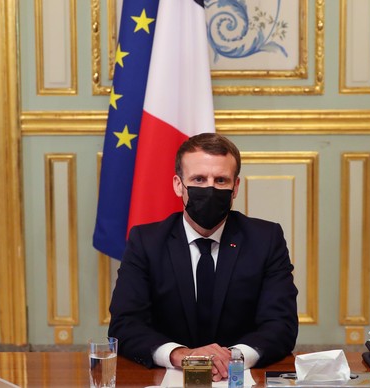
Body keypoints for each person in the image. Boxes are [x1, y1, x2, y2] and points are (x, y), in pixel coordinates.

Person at [108, 133, 298, 381]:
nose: (210, 188)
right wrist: (182, 355)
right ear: (179, 185)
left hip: (238, 378)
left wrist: (231, 357)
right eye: (198, 179)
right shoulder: (146, 242)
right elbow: (125, 325)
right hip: (168, 377)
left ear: (235, 187)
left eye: (220, 180)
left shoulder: (266, 239)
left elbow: (281, 325)